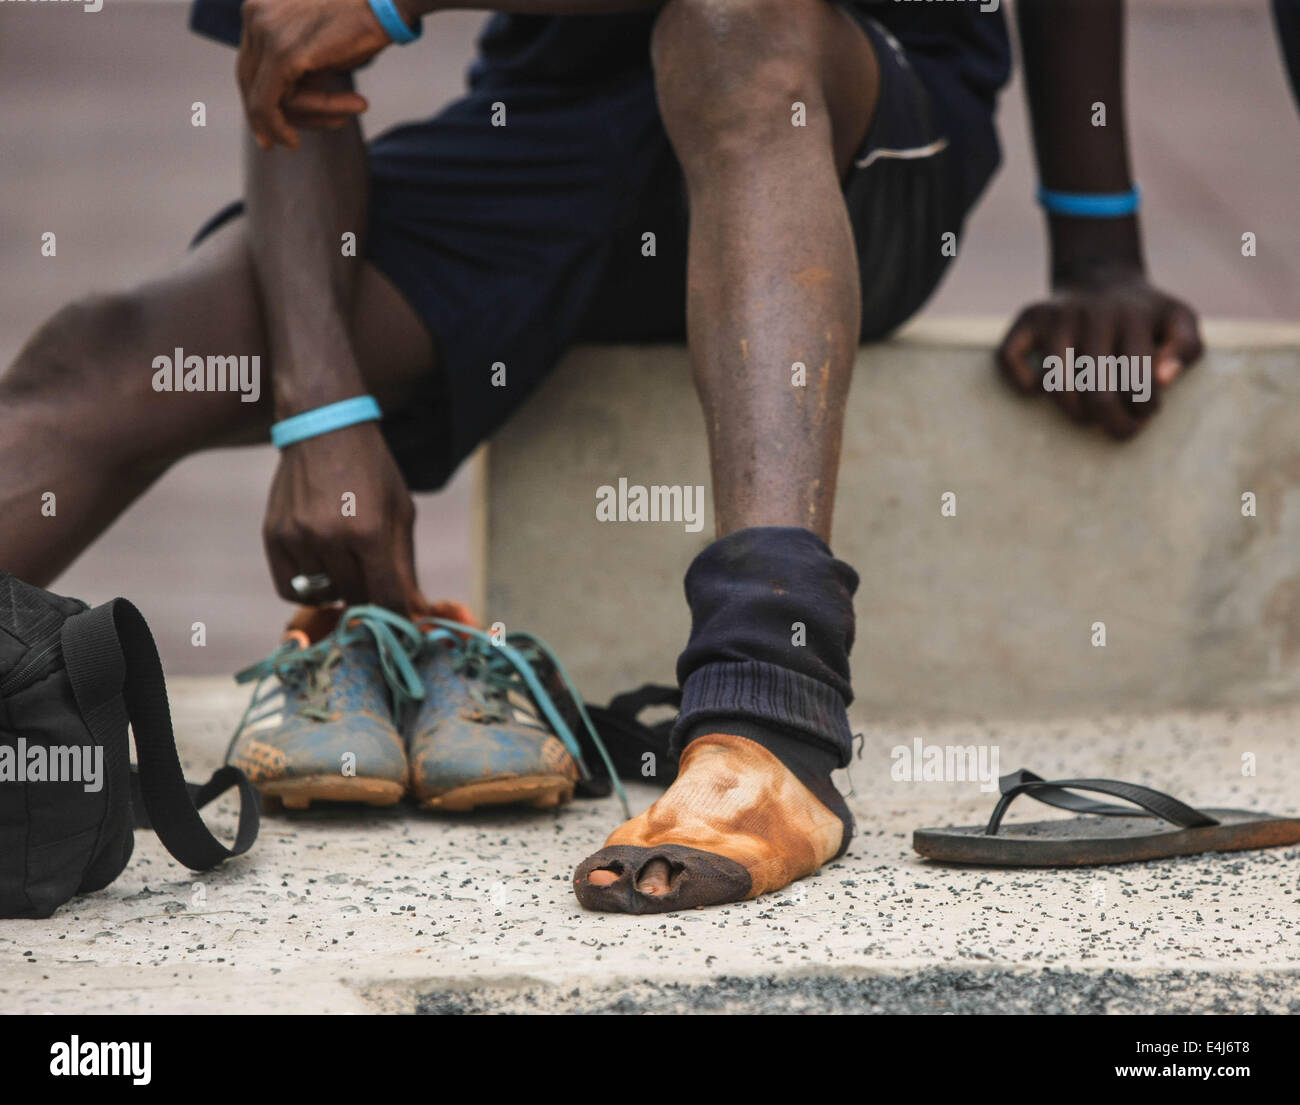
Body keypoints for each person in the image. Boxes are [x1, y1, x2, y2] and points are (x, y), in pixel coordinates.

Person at [0, 0, 1201, 914]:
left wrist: (1096, 243)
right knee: (103, 358)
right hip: (559, 130)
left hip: (836, 100)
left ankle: (770, 716)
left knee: (731, 23)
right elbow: (286, 37)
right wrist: (323, 410)